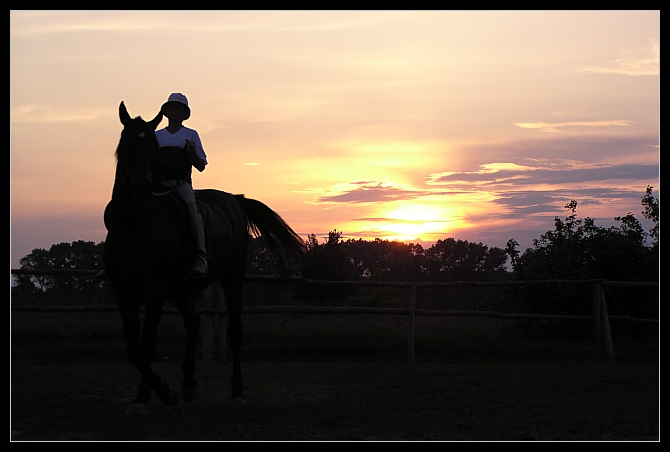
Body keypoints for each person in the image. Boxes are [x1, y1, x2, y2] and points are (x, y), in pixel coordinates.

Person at [154, 92, 209, 277]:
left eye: (178, 108)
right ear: (166, 112)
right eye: (171, 108)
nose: (174, 111)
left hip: (181, 185)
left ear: (184, 113)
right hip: (158, 184)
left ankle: (201, 255)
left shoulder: (191, 135)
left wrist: (193, 153)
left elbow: (201, 165)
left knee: (192, 212)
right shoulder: (156, 136)